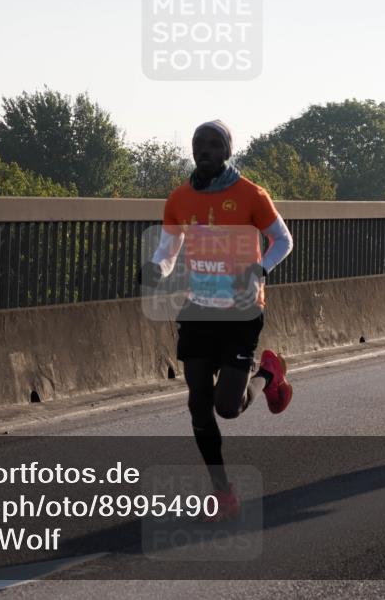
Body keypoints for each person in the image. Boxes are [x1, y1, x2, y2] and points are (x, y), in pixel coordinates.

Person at [137, 120, 294, 520]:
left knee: (227, 407)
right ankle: (223, 492)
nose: (203, 150)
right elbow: (169, 250)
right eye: (197, 144)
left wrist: (260, 270)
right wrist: (156, 268)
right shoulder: (179, 199)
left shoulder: (251, 195)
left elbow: (283, 241)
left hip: (242, 311)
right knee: (198, 404)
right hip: (198, 310)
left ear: (226, 152)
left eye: (212, 145)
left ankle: (268, 376)